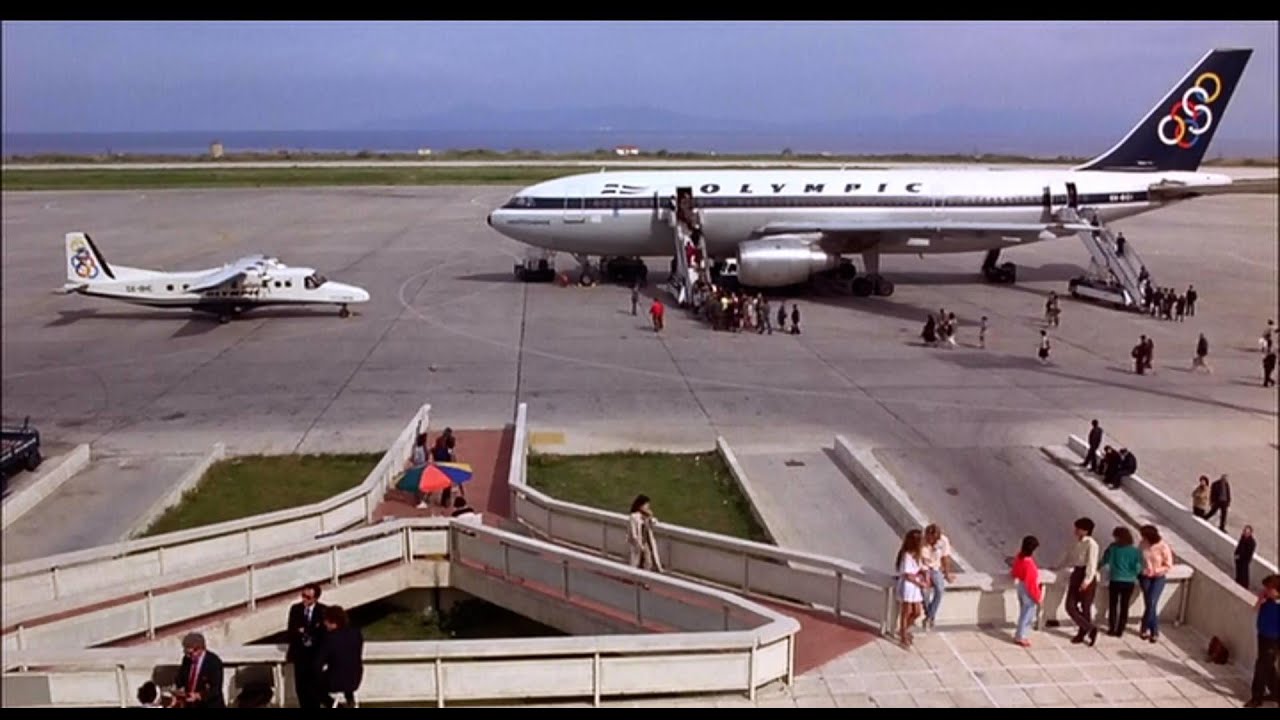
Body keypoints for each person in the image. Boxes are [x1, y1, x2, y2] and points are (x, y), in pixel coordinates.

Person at [1060, 517, 1100, 645]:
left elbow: (1092, 563)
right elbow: (1069, 557)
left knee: (1085, 606)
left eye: (1078, 528)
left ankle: (1083, 633)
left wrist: (1087, 580)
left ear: (1086, 530)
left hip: (1086, 574)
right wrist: (1058, 567)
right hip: (1077, 573)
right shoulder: (1076, 543)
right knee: (1070, 606)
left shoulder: (1091, 544)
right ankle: (1090, 628)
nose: (1075, 530)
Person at [286, 583, 328, 708]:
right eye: (303, 595)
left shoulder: (323, 611)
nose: (304, 599)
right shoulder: (296, 609)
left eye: (308, 597)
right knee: (301, 689)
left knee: (314, 689)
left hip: (315, 656)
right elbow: (291, 630)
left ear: (316, 598)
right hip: (299, 655)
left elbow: (323, 633)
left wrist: (306, 632)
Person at [1099, 526, 1143, 637]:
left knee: (1113, 605)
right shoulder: (1135, 551)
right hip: (1129, 581)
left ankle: (1112, 628)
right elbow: (1138, 567)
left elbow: (1104, 561)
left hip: (1115, 580)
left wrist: (1095, 568)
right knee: (1124, 605)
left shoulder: (1113, 548)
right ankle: (1120, 629)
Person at [318, 605, 364, 708]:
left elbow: (319, 662)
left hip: (336, 681)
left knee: (312, 685)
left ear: (332, 622)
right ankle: (350, 700)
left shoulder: (330, 638)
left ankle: (337, 706)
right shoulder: (356, 633)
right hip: (355, 678)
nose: (324, 624)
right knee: (345, 670)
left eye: (326, 621)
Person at [1244, 575, 1280, 708]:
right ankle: (1277, 693)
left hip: (1273, 640)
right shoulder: (1267, 600)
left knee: (1261, 667)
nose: (1266, 591)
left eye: (1269, 589)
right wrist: (1260, 601)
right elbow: (1255, 610)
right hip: (1263, 636)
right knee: (1268, 666)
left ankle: (1256, 697)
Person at [1138, 524, 1174, 643]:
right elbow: (1138, 559)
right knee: (1149, 603)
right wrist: (1142, 569)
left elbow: (1168, 565)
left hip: (1158, 577)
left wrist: (1155, 570)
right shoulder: (1142, 545)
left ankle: (1148, 628)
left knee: (1152, 601)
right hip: (1145, 577)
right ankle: (1151, 631)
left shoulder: (1163, 546)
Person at [895, 529, 928, 647]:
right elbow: (907, 575)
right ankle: (903, 637)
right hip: (908, 586)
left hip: (915, 586)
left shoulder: (917, 554)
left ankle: (903, 630)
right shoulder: (907, 555)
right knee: (906, 612)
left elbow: (921, 568)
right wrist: (920, 583)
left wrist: (925, 575)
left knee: (917, 612)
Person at [174, 632, 225, 708]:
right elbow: (181, 678)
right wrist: (178, 688)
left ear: (200, 649)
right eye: (186, 653)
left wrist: (198, 696)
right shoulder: (187, 660)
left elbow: (215, 690)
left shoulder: (213, 662)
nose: (188, 656)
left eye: (190, 653)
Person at [920, 524, 955, 630]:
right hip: (922, 569)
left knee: (940, 589)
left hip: (935, 568)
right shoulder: (921, 541)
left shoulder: (943, 541)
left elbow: (945, 557)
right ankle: (930, 615)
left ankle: (930, 616)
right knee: (924, 592)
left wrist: (947, 573)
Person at [1010, 535, 1043, 647]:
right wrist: (1038, 598)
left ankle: (1020, 635)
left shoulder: (1019, 557)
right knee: (1027, 614)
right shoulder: (1029, 565)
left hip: (1021, 586)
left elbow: (1014, 572)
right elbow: (1032, 584)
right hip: (1028, 590)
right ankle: (1021, 636)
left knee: (1024, 612)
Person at [627, 494, 662, 571]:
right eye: (646, 505)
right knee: (639, 562)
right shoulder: (634, 516)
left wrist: (650, 516)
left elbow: (654, 522)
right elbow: (633, 533)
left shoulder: (646, 516)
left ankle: (645, 575)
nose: (648, 506)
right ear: (640, 505)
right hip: (639, 543)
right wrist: (638, 544)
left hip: (646, 543)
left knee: (648, 562)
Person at [1236, 526, 1258, 590]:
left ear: (1250, 533)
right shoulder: (1242, 538)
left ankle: (1244, 585)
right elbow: (1239, 546)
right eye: (1245, 532)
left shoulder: (1252, 543)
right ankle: (1238, 580)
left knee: (1244, 572)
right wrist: (1236, 554)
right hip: (1239, 558)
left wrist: (1241, 556)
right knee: (1239, 570)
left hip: (1245, 560)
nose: (1245, 533)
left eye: (1247, 532)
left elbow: (1248, 553)